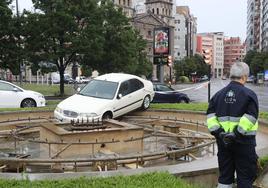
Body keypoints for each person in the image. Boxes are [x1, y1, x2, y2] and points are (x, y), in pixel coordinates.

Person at [206, 62, 259, 188]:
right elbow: (250, 118)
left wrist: (220, 133)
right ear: (245, 77)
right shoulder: (249, 95)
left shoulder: (217, 96)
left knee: (224, 178)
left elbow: (210, 118)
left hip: (224, 144)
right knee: (245, 179)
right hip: (244, 144)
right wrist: (236, 134)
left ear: (231, 75)